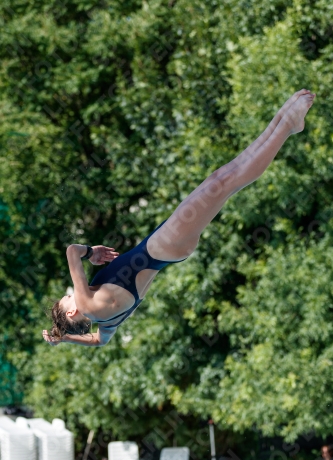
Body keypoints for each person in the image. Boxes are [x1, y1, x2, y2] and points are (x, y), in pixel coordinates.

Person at [43, 89, 316, 348]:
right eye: (68, 298)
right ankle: (286, 125)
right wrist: (90, 252)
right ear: (74, 310)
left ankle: (283, 121)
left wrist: (66, 339)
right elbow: (71, 251)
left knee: (223, 180)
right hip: (163, 245)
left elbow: (100, 342)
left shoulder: (107, 321)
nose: (72, 294)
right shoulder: (87, 304)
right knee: (223, 182)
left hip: (169, 250)